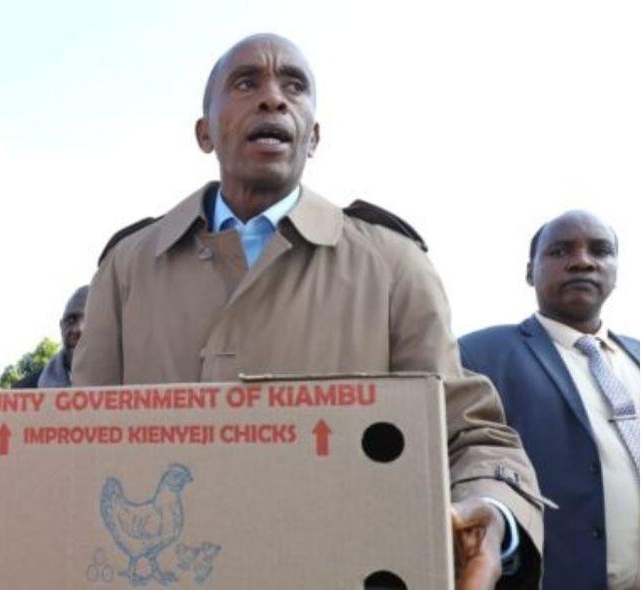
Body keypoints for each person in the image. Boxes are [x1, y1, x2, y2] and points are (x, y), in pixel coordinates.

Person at [74, 33, 546, 589]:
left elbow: (470, 435)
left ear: (314, 135)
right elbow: (78, 440)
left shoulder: (393, 264)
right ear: (205, 132)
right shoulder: (127, 267)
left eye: (293, 86)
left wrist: (491, 510)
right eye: (246, 83)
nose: (273, 99)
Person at [460, 211, 638, 590]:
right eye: (560, 251)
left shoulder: (636, 357)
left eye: (601, 251)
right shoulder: (480, 355)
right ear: (530, 272)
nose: (583, 261)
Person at [38, 285, 88, 387]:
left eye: (90, 320)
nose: (78, 329)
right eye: (71, 320)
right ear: (61, 327)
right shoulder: (25, 390)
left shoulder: (126, 380)